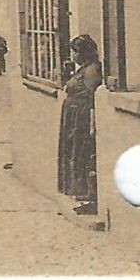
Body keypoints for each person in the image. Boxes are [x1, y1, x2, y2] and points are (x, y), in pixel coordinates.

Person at [58, 34, 103, 215]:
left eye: (75, 52)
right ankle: (81, 192)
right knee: (74, 151)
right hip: (74, 117)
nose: (72, 55)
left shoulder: (91, 70)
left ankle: (89, 195)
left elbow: (92, 95)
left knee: (82, 152)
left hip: (82, 117)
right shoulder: (82, 69)